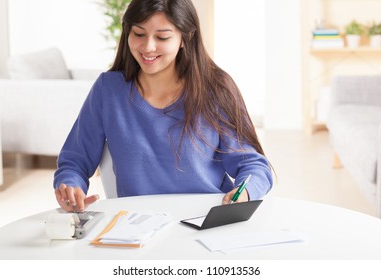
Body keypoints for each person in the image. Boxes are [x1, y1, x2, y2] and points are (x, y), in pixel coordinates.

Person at [53, 0, 273, 212]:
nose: (148, 47)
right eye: (139, 34)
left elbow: (253, 166)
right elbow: (74, 161)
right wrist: (70, 187)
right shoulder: (108, 90)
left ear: (185, 38)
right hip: (138, 227)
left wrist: (244, 194)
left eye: (162, 37)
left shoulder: (216, 88)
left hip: (207, 221)